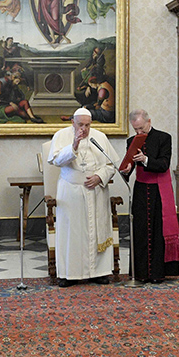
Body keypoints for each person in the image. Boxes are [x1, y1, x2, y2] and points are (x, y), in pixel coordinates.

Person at [48, 107, 119, 286]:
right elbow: (57, 161)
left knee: (96, 230)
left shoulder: (100, 137)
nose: (84, 129)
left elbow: (111, 165)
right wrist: (74, 145)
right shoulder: (61, 135)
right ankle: (68, 274)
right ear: (73, 122)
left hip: (96, 190)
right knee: (72, 233)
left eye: (87, 125)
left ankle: (99, 272)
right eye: (80, 124)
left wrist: (99, 177)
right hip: (71, 192)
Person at [120, 109, 179, 284]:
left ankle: (157, 274)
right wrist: (126, 170)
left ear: (149, 121)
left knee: (158, 232)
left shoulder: (164, 138)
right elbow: (128, 169)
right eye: (135, 130)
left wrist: (145, 160)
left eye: (141, 129)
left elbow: (163, 164)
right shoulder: (131, 141)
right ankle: (140, 274)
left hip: (159, 192)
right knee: (140, 232)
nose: (139, 133)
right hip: (140, 191)